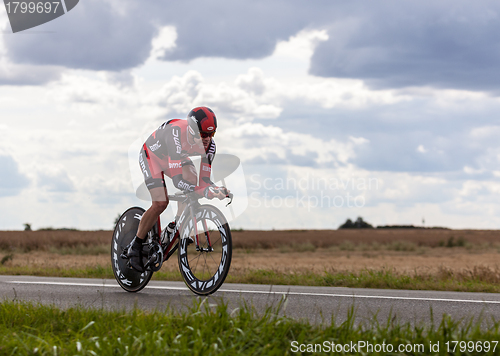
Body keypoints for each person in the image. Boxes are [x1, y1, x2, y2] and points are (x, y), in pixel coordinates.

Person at [128, 106, 229, 272]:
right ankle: (136, 244)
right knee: (161, 203)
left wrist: (215, 190)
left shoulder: (210, 147)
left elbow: (203, 181)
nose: (208, 139)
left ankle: (176, 225)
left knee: (193, 180)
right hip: (152, 157)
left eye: (212, 134)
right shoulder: (176, 133)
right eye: (203, 134)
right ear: (192, 130)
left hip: (175, 158)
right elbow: (178, 181)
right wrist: (202, 191)